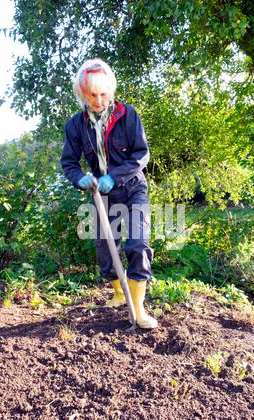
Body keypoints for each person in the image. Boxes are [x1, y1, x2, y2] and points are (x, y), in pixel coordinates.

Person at [61, 58, 157, 329]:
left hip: (132, 188)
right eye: (93, 94)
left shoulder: (128, 116)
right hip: (101, 196)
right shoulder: (76, 125)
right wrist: (80, 178)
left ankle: (138, 310)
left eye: (104, 93)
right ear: (83, 93)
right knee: (106, 248)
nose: (99, 100)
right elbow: (69, 162)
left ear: (110, 91)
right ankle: (118, 293)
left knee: (138, 242)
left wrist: (113, 177)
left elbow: (141, 154)